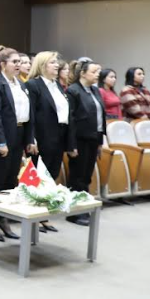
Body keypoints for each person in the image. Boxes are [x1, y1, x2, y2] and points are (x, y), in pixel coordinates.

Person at [0, 48, 36, 242]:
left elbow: (29, 114)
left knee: (11, 179)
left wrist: (30, 139)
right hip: (1, 136)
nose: (18, 65)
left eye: (19, 62)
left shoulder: (21, 84)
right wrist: (1, 141)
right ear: (3, 64)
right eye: (14, 61)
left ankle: (3, 218)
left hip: (18, 134)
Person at [25, 51, 69, 233]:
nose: (57, 65)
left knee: (51, 176)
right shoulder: (33, 85)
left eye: (57, 62)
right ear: (42, 65)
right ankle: (33, 217)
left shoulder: (56, 84)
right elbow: (31, 114)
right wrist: (31, 138)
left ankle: (43, 215)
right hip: (42, 136)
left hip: (59, 135)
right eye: (52, 62)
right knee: (38, 178)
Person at [66, 58, 105, 226]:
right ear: (82, 73)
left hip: (94, 138)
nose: (97, 75)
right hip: (79, 139)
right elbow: (71, 120)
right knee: (77, 176)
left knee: (87, 176)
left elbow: (100, 117)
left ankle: (83, 208)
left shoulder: (95, 90)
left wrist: (100, 141)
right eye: (93, 72)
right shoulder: (73, 91)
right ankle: (75, 212)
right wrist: (71, 144)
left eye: (98, 72)